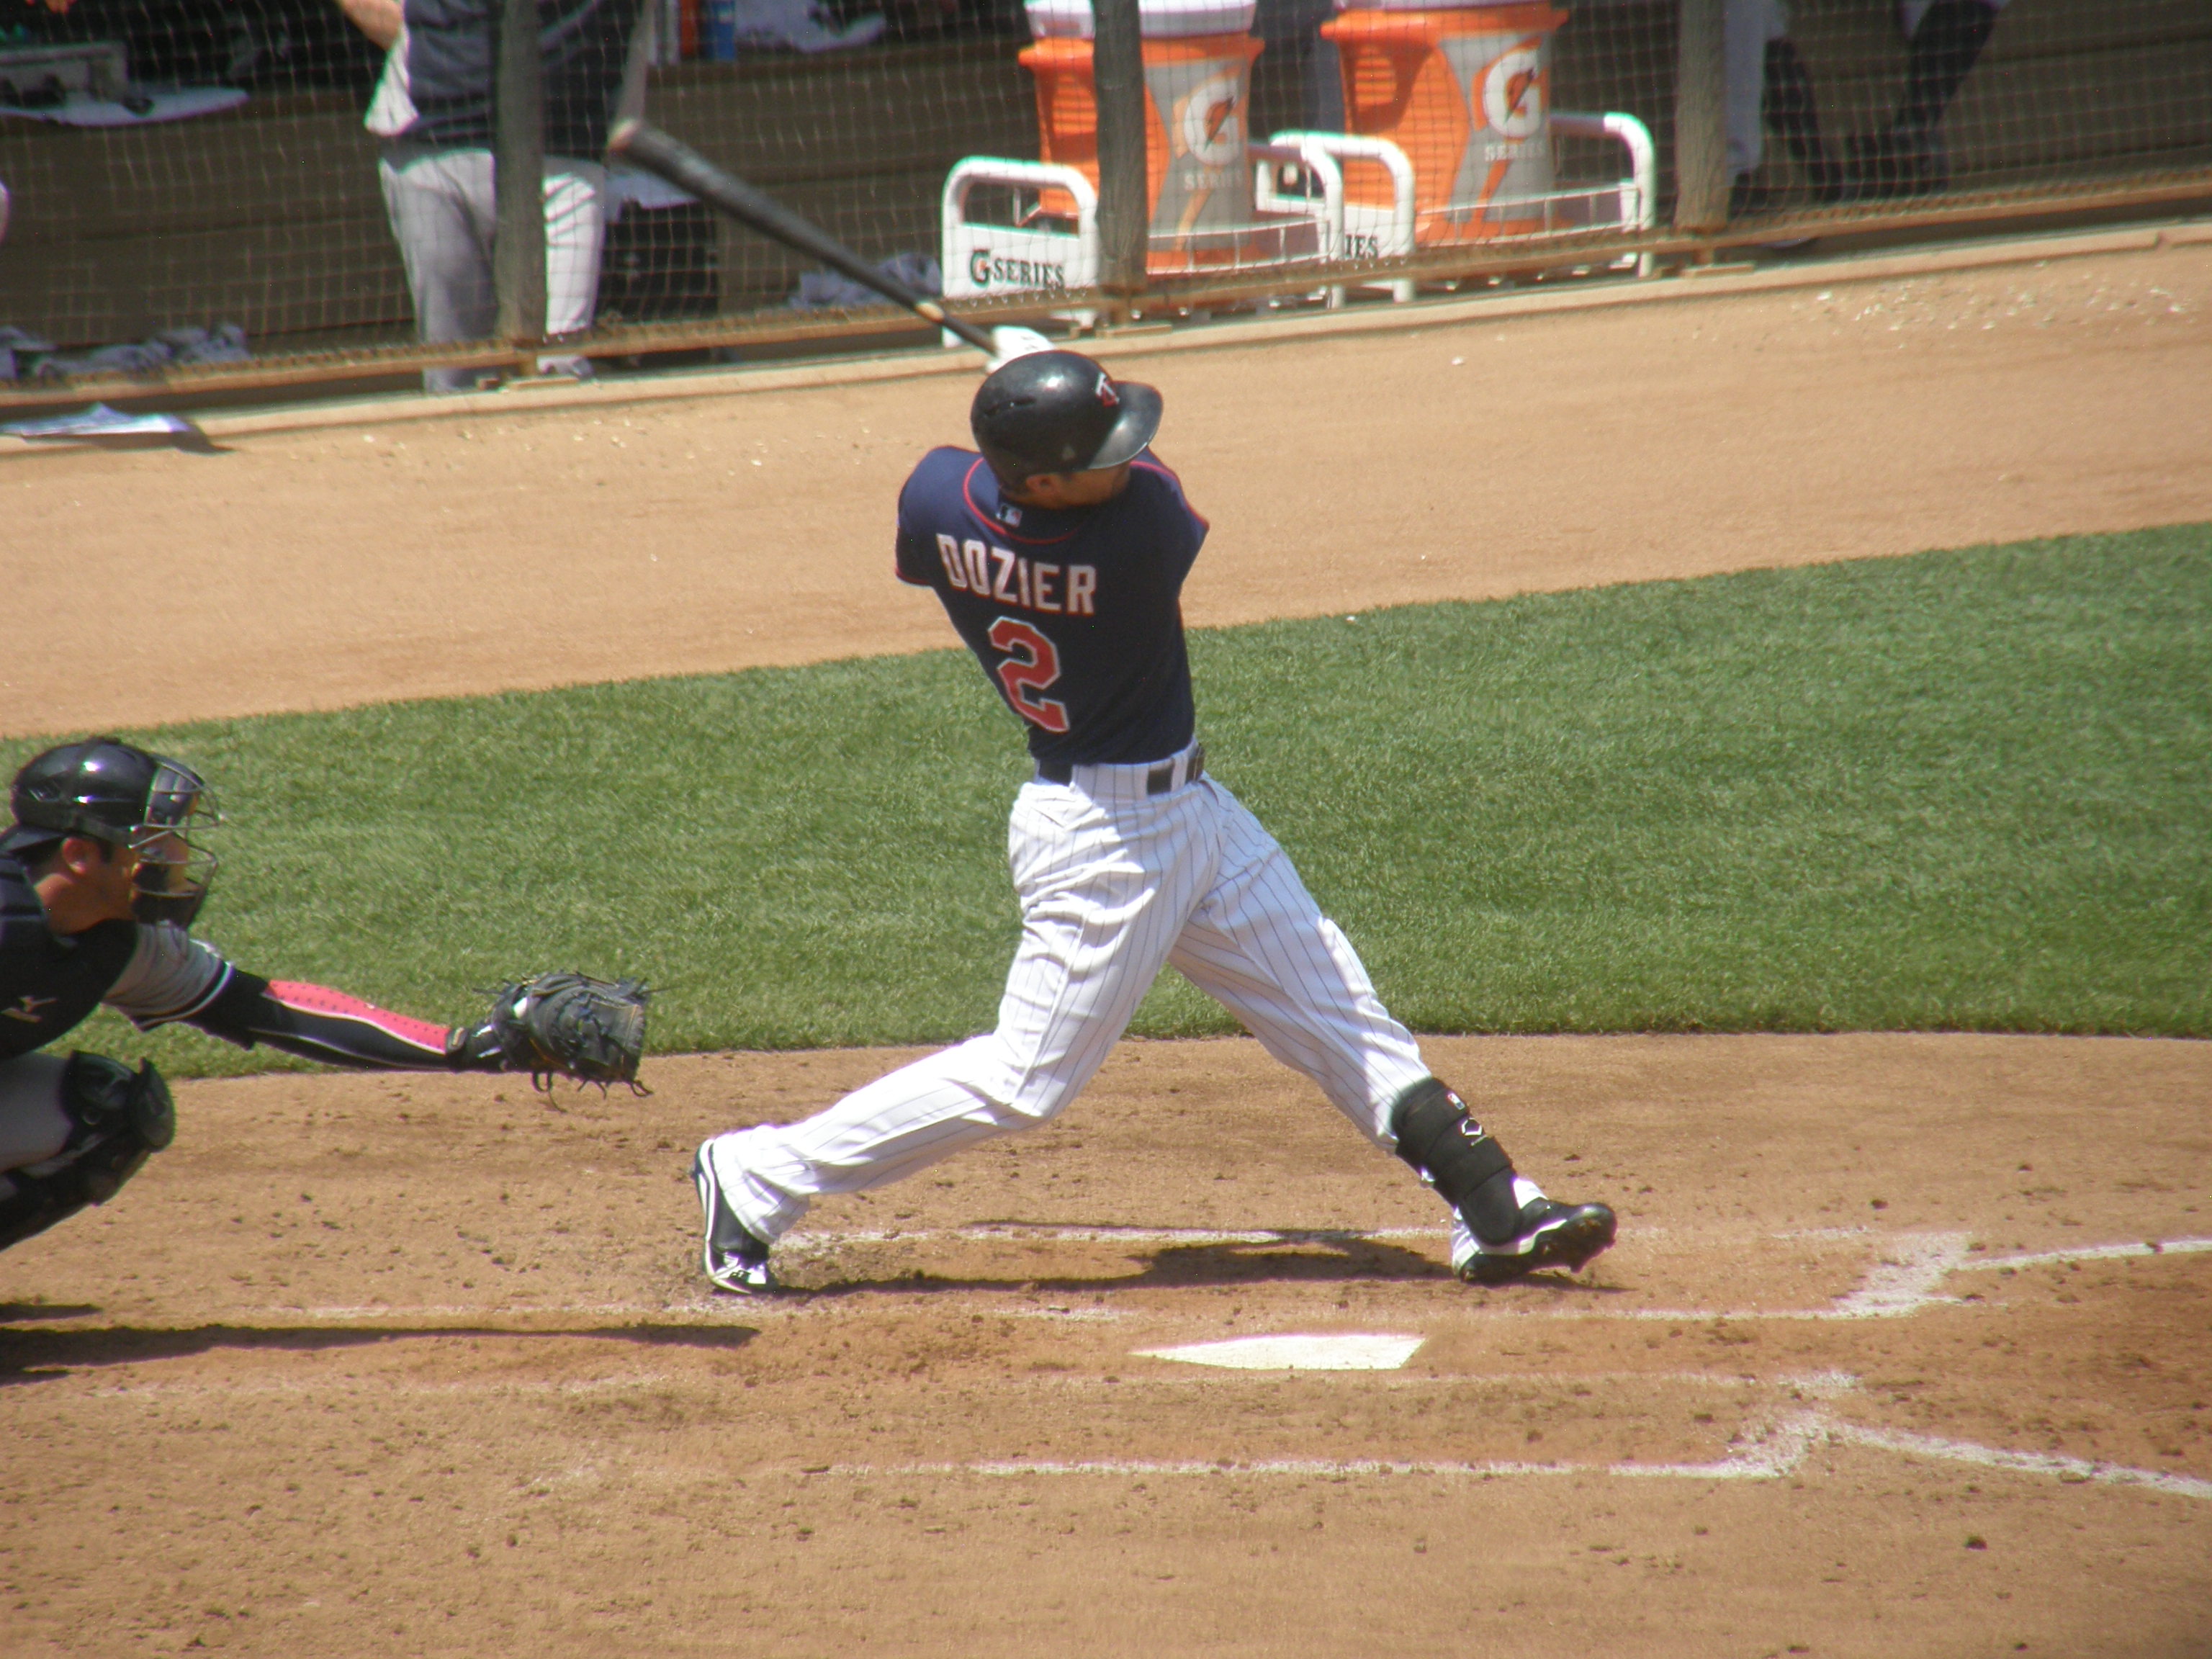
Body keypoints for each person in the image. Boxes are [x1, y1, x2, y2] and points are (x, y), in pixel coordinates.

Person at [690, 351, 1617, 1295]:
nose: (1129, 456)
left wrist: (1033, 407)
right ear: (1047, 483)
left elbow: (950, 518)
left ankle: (1495, 1207)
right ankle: (759, 1176)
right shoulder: (1137, 536)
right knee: (1025, 1080)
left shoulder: (934, 496)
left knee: (1341, 1014)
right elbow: (1153, 484)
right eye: (1102, 451)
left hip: (1188, 815)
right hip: (1107, 846)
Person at [0, 737, 644, 1254]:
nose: (173, 857)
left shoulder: (119, 941)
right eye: (151, 842)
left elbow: (268, 1008)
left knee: (110, 1113)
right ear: (80, 854)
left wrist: (472, 1045)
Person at [338, 0, 646, 392]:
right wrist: (430, 36)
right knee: (455, 372)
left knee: (559, 369)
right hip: (431, 147)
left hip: (563, 154)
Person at [1847, 0, 2010, 199]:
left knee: (1917, 123)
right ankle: (1900, 145)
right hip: (1930, 14)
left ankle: (1901, 144)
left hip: (1956, 21)